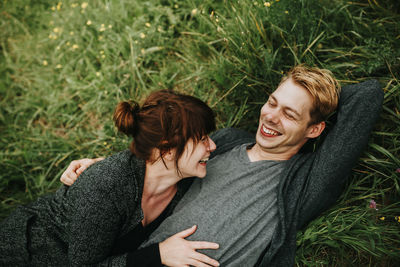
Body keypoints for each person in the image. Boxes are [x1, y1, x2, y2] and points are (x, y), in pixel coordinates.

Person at [63, 65, 383, 266]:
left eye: (290, 113)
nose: (271, 116)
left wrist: (319, 93)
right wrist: (108, 170)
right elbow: (172, 157)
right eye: (272, 102)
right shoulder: (226, 142)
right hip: (142, 258)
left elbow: (367, 96)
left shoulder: (307, 179)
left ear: (314, 130)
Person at [0, 90, 221, 266]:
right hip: (27, 252)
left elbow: (233, 139)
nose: (213, 145)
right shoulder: (107, 186)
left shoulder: (183, 176)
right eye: (202, 139)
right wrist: (158, 254)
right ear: (166, 149)